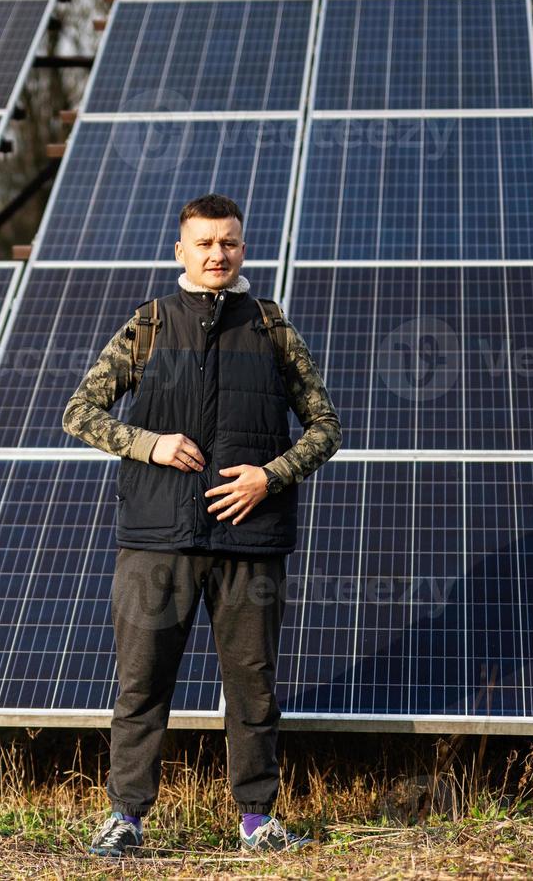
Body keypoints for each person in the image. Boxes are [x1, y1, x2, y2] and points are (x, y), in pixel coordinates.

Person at [61, 192, 341, 856]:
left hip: (252, 542)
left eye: (230, 243)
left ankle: (257, 822)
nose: (218, 255)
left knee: (253, 688)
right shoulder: (149, 324)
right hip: (155, 542)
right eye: (205, 243)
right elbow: (78, 412)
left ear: (243, 248)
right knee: (141, 685)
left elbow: (326, 427)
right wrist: (148, 444)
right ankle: (126, 818)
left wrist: (268, 477)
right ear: (181, 250)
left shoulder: (271, 327)